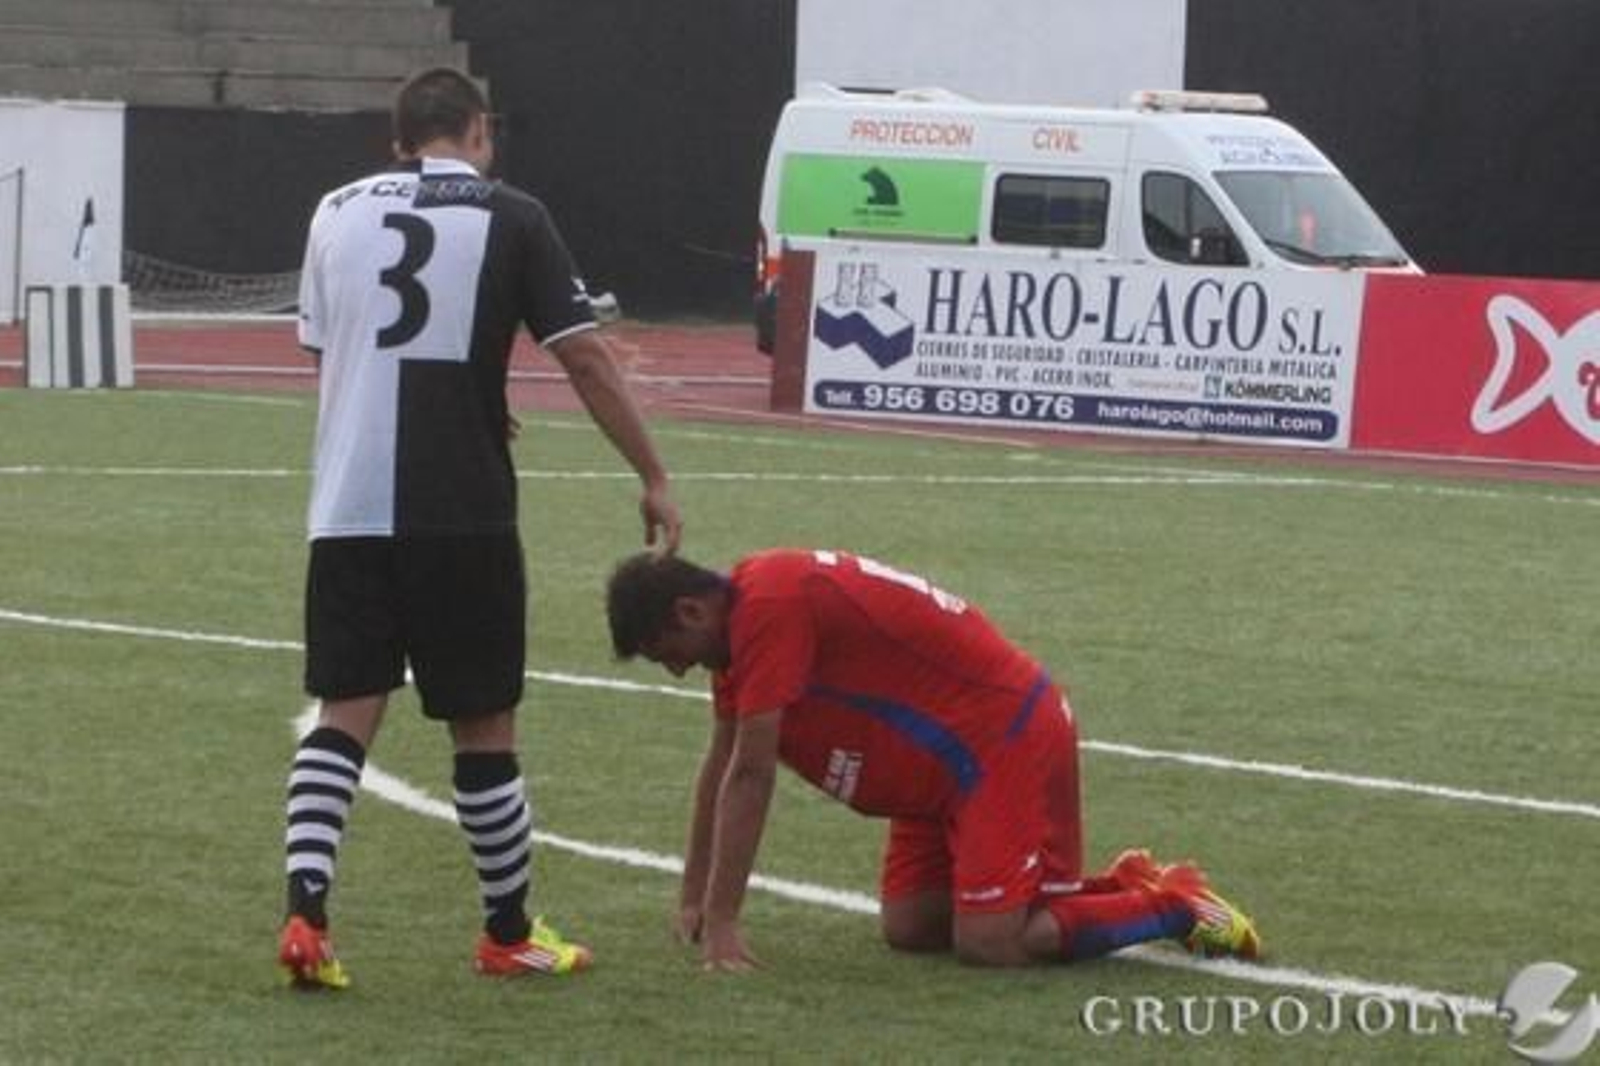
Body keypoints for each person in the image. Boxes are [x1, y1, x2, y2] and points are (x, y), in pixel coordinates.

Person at [277, 67, 682, 990]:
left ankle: (306, 913)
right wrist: (653, 475)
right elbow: (583, 357)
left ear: (397, 138)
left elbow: (334, 352)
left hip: (345, 507)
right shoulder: (512, 214)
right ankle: (506, 931)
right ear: (478, 132)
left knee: (345, 709)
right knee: (484, 723)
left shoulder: (333, 210)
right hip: (458, 511)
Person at [605, 549, 1260, 970]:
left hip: (1001, 739)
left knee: (994, 943)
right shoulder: (744, 625)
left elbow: (752, 774)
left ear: (691, 610)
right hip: (939, 772)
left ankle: (1179, 904)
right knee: (913, 926)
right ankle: (1119, 887)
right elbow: (722, 766)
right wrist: (693, 895)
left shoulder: (768, 607)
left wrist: (722, 922)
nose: (675, 670)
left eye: (667, 650)